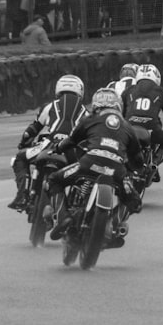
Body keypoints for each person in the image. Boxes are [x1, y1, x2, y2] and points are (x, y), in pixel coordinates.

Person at [42, 88, 145, 244]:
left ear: (96, 104)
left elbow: (70, 141)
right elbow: (138, 159)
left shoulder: (90, 119)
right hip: (116, 170)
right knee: (135, 202)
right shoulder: (128, 126)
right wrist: (135, 169)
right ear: (119, 106)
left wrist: (57, 148)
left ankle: (63, 218)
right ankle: (113, 224)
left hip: (88, 163)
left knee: (53, 180)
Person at [7, 74, 88, 211]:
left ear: (58, 88)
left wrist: (23, 144)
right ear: (80, 90)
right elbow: (87, 138)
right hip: (71, 151)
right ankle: (76, 203)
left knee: (20, 158)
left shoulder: (50, 106)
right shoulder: (86, 113)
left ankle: (23, 195)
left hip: (48, 145)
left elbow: (31, 131)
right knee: (84, 172)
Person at [124, 64, 163, 183]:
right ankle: (154, 163)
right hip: (152, 129)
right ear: (156, 77)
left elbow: (121, 113)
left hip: (129, 128)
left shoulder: (128, 90)